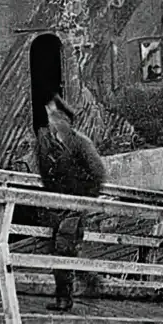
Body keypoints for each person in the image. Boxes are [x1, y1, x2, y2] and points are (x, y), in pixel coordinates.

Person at [35, 94, 105, 312]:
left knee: (64, 248)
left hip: (74, 207)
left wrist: (83, 200)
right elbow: (44, 172)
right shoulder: (45, 142)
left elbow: (97, 174)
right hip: (54, 205)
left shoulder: (81, 143)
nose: (52, 121)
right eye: (50, 117)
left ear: (66, 120)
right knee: (56, 249)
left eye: (56, 117)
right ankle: (91, 279)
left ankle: (64, 299)